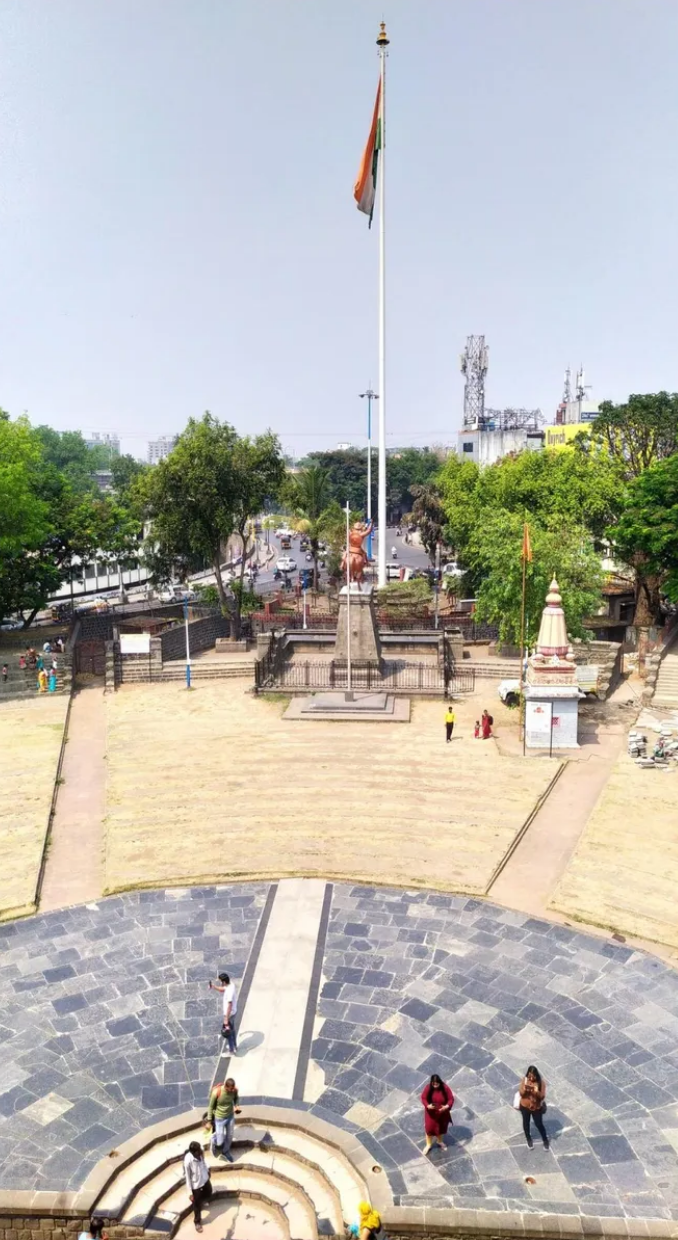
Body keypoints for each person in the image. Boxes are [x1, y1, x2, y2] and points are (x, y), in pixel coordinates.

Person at [208, 1077, 241, 1160]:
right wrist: (209, 1120)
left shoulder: (234, 1090)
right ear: (226, 1087)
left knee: (230, 1136)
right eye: (230, 1089)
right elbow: (211, 1107)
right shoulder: (216, 1092)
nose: (232, 1090)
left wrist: (236, 1106)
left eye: (233, 1088)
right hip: (219, 1118)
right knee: (220, 1141)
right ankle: (213, 1139)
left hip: (230, 1117)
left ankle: (225, 1152)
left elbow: (236, 1098)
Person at [421, 1073, 454, 1154]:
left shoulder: (445, 1087)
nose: (435, 1085)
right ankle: (428, 1144)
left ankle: (440, 1141)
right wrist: (427, 1105)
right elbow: (423, 1097)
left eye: (437, 1083)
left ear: (439, 1082)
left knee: (441, 1128)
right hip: (431, 1113)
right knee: (429, 1128)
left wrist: (447, 1106)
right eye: (433, 1083)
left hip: (442, 1112)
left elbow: (451, 1099)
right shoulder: (428, 1087)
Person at [518, 1065, 549, 1150]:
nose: (531, 1078)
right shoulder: (524, 1080)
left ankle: (545, 1140)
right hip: (525, 1106)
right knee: (526, 1123)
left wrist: (536, 1092)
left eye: (533, 1076)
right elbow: (521, 1093)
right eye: (529, 1076)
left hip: (536, 1108)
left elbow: (542, 1096)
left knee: (539, 1124)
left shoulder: (541, 1083)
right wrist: (524, 1089)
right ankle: (528, 1138)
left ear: (536, 1075)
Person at [183, 1140, 212, 1231]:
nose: (200, 1151)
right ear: (193, 1152)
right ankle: (197, 1222)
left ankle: (201, 1201)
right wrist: (190, 1193)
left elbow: (203, 1161)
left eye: (200, 1150)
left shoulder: (201, 1151)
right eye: (198, 1151)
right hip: (196, 1183)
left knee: (209, 1191)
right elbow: (187, 1177)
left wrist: (207, 1170)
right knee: (196, 1204)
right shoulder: (188, 1161)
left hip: (204, 1177)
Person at [209, 971, 238, 1053]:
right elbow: (222, 989)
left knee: (228, 1033)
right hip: (232, 1013)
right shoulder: (230, 984)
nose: (220, 983)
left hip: (230, 1014)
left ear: (224, 982)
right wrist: (213, 987)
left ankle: (232, 1050)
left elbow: (229, 1005)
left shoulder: (229, 992)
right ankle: (234, 1046)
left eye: (221, 982)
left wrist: (226, 1019)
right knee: (232, 1030)